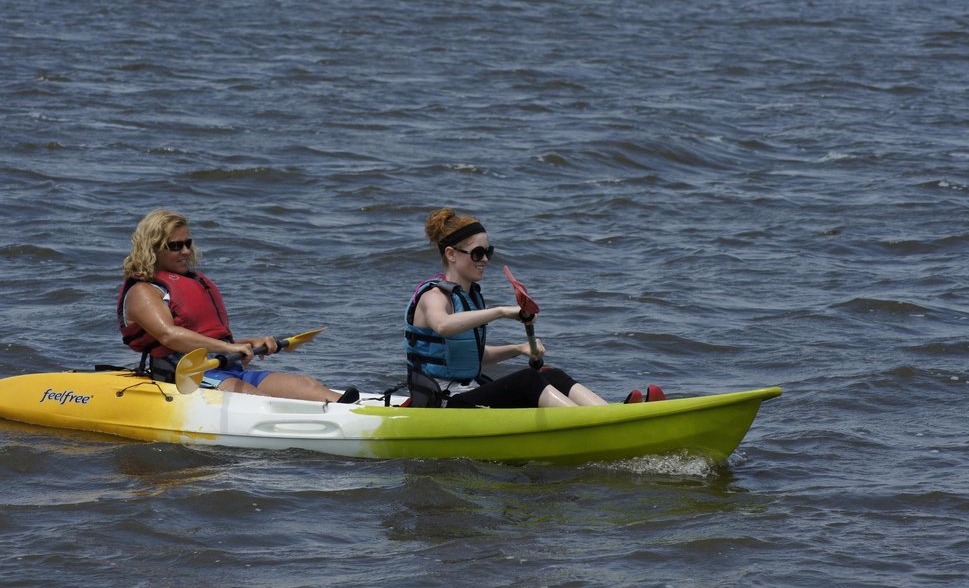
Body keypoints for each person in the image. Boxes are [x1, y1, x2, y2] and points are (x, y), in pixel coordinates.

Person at [404, 208, 663, 408]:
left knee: (552, 375)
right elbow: (443, 326)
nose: (485, 259)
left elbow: (474, 356)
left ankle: (610, 415)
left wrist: (519, 349)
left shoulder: (470, 296)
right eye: (477, 253)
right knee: (527, 380)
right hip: (441, 402)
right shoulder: (434, 296)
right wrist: (502, 312)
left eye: (488, 252)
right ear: (451, 254)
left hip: (467, 392)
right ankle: (589, 425)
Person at [117, 209, 356, 404]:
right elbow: (169, 336)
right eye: (176, 246)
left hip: (226, 367)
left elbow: (203, 337)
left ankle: (355, 412)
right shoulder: (144, 291)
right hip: (185, 376)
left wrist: (246, 343)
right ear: (154, 249)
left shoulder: (194, 281)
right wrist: (227, 347)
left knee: (306, 384)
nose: (186, 251)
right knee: (257, 401)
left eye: (187, 243)